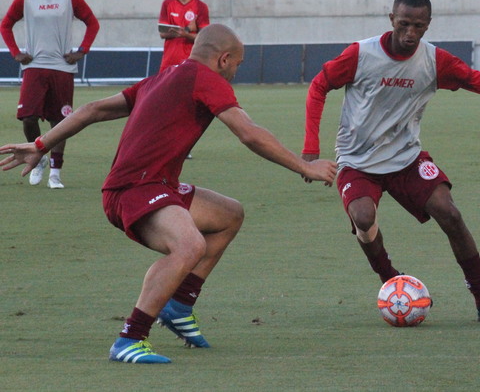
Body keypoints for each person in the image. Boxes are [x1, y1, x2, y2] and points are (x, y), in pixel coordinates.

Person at [0, 24, 338, 363]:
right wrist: (304, 166)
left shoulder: (164, 77)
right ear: (224, 59)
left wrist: (41, 144)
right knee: (189, 245)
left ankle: (179, 305)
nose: (237, 70)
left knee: (229, 215)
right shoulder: (206, 80)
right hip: (133, 190)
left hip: (157, 186)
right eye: (238, 63)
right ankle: (130, 338)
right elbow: (249, 133)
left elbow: (92, 110)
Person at [301, 0, 480, 324]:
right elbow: (318, 86)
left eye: (418, 25)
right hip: (358, 161)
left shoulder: (434, 61)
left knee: (450, 213)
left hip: (406, 158)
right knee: (363, 218)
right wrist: (310, 148)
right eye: (403, 24)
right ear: (391, 20)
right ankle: (392, 282)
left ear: (428, 25)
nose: (410, 33)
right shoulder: (360, 54)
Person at [0, 0, 100, 189]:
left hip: (62, 67)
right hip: (34, 66)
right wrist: (16, 52)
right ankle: (38, 159)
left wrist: (81, 51)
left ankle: (55, 173)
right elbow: (5, 24)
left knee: (60, 121)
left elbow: (92, 22)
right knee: (27, 118)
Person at [158, 0, 209, 72]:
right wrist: (186, 29)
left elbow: (204, 38)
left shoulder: (201, 7)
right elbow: (162, 33)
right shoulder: (167, 4)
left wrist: (185, 34)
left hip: (191, 62)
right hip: (169, 62)